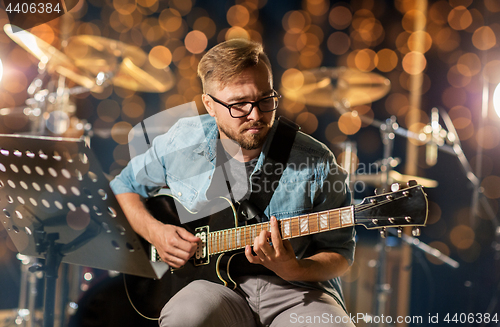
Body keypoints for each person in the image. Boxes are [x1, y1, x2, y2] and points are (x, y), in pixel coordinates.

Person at [110, 38, 356, 327]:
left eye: (265, 100)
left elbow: (339, 253)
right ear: (210, 105)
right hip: (212, 287)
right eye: (239, 104)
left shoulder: (316, 160)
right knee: (185, 318)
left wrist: (296, 268)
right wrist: (156, 232)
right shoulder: (183, 140)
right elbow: (123, 186)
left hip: (297, 291)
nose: (256, 115)